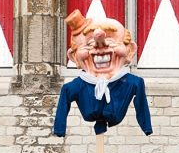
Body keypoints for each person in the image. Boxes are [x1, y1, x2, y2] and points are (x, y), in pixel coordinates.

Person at [53, 10, 153, 138]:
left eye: (110, 41)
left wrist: (146, 127)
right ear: (74, 57)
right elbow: (65, 96)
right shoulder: (76, 87)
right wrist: (59, 129)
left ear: (130, 51)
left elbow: (141, 105)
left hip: (116, 116)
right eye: (89, 44)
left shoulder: (132, 83)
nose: (100, 46)